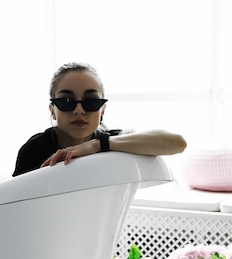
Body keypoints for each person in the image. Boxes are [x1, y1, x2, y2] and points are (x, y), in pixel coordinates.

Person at [12, 62, 187, 176]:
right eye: (66, 101)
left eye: (91, 101)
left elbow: (177, 143)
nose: (79, 110)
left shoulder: (114, 141)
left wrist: (97, 145)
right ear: (52, 110)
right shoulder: (34, 150)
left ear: (103, 109)